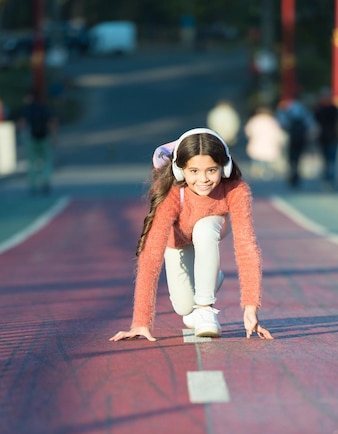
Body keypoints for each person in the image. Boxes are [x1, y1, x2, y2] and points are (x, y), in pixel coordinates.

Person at [110, 128, 273, 343]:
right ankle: (211, 278)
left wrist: (251, 309)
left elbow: (246, 247)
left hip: (211, 228)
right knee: (185, 308)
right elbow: (151, 254)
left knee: (204, 229)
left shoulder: (235, 189)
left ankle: (205, 309)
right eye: (194, 171)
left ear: (224, 168)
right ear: (180, 171)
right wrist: (141, 321)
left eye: (211, 170)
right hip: (177, 243)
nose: (203, 179)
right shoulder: (172, 192)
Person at [18, 90, 57, 193]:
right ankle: (46, 181)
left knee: (31, 163)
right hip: (44, 137)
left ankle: (32, 185)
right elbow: (51, 123)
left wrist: (21, 137)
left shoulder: (27, 109)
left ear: (30, 97)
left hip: (32, 139)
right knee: (46, 161)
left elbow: (22, 124)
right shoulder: (44, 108)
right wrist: (53, 136)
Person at [277, 96, 315, 188]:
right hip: (301, 138)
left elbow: (282, 123)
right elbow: (310, 124)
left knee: (291, 158)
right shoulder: (304, 111)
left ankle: (292, 173)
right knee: (298, 158)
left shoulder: (287, 110)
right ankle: (296, 175)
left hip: (290, 138)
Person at [244, 106, 285, 179]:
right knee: (267, 159)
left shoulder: (255, 120)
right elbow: (277, 133)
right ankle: (266, 173)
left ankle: (258, 171)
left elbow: (248, 131)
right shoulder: (272, 121)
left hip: (257, 144)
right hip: (269, 144)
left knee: (257, 158)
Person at [314, 88, 338, 187]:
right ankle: (330, 178)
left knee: (328, 160)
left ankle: (328, 179)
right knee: (331, 160)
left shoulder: (319, 109)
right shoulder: (335, 109)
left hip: (326, 137)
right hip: (332, 137)